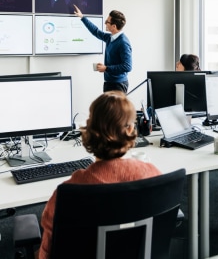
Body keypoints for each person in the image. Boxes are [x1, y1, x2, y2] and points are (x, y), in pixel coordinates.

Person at [37, 91, 162, 259]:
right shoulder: (153, 176)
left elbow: (48, 249)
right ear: (131, 128)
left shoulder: (69, 192)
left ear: (88, 129)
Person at [73, 4, 132, 93]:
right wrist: (82, 17)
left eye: (107, 22)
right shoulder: (110, 37)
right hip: (109, 82)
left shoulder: (123, 43)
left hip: (118, 85)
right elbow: (96, 32)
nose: (105, 23)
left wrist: (106, 68)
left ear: (114, 26)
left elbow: (127, 66)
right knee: (105, 107)